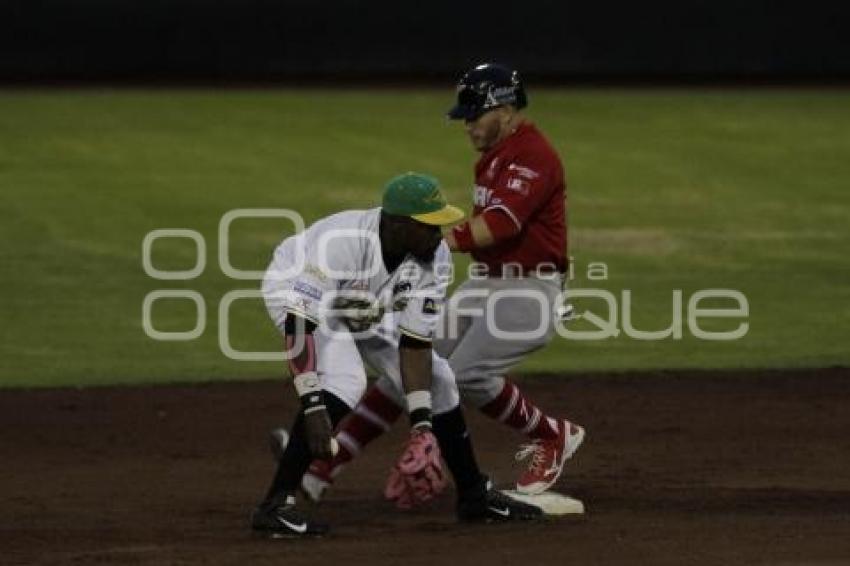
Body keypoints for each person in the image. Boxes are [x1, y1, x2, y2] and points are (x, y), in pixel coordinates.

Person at [288, 64, 585, 503]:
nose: (466, 126)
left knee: (465, 376)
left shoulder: (534, 155)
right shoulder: (495, 157)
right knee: (405, 369)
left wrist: (430, 238)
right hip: (486, 284)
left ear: (503, 109)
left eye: (473, 115)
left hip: (529, 289)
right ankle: (327, 464)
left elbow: (500, 225)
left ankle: (553, 435)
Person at [252, 172, 542, 538]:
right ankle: (276, 505)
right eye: (429, 226)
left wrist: (422, 427)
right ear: (397, 224)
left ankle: (473, 495)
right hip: (298, 292)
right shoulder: (340, 242)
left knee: (439, 377)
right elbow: (299, 325)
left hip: (365, 301)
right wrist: (312, 403)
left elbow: (415, 342)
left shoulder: (433, 257)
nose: (439, 236)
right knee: (345, 381)